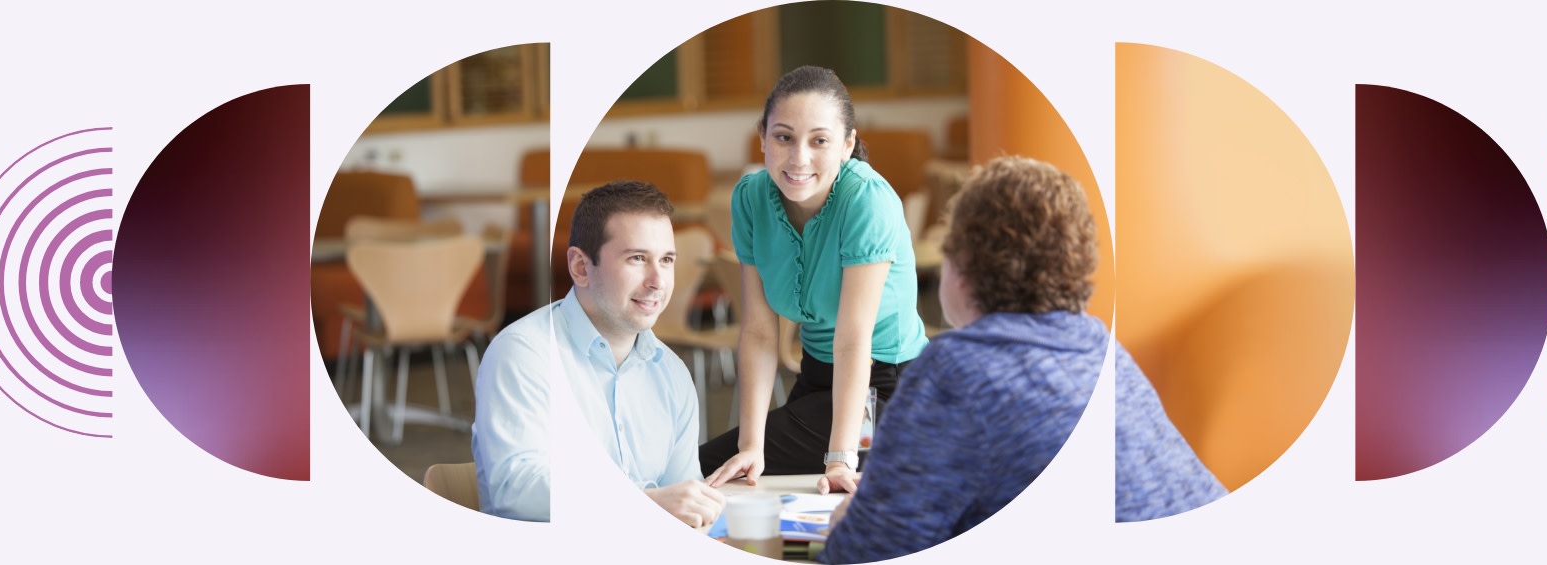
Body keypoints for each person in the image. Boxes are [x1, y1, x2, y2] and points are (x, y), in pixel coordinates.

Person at [818, 157, 1226, 563]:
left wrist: (847, 526)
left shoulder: (957, 367)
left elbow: (865, 553)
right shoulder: (1103, 350)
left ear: (960, 269)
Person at [701, 65, 929, 495]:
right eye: (783, 137)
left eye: (819, 140)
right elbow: (759, 331)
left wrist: (841, 458)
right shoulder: (750, 197)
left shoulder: (866, 199)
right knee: (741, 469)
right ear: (763, 137)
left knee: (701, 469)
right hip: (818, 375)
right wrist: (751, 444)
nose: (798, 158)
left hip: (887, 388)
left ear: (847, 145)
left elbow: (853, 340)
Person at [472, 180, 724, 526]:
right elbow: (515, 490)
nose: (657, 280)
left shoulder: (671, 372)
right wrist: (641, 503)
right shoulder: (524, 354)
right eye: (637, 258)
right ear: (579, 267)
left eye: (666, 260)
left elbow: (683, 497)